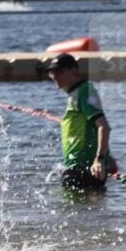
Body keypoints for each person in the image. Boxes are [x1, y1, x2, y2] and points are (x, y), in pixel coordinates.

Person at [46, 53, 113, 191]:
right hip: (78, 168)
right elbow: (90, 129)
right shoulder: (76, 93)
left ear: (74, 70)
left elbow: (103, 126)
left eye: (59, 71)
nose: (54, 76)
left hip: (86, 170)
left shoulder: (85, 91)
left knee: (68, 208)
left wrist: (99, 159)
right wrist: (109, 157)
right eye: (52, 72)